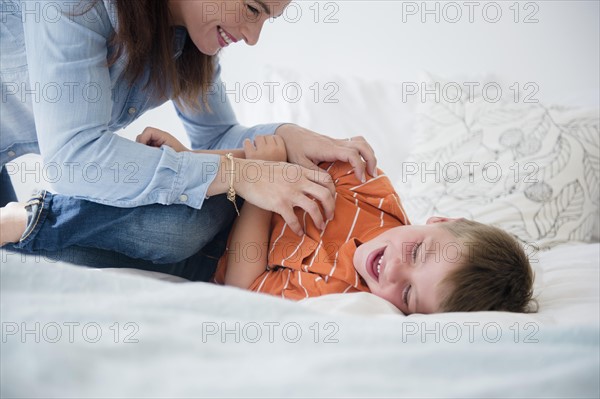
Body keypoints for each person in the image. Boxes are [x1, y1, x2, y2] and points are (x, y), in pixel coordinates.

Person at [0, 0, 377, 270]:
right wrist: (240, 174)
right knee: (183, 224)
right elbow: (74, 158)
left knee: (189, 222)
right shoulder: (76, 7)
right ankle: (31, 220)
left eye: (268, 19)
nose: (253, 37)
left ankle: (27, 232)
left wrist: (288, 135)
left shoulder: (186, 42)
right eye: (252, 9)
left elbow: (217, 136)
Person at [1, 133, 535, 314]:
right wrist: (193, 155)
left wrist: (265, 190)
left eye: (410, 298)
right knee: (175, 228)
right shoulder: (370, 187)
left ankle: (22, 234)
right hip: (221, 200)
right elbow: (258, 166)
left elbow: (243, 288)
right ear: (440, 220)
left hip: (210, 264)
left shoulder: (344, 293)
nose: (392, 274)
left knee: (81, 266)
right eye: (417, 254)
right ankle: (22, 219)